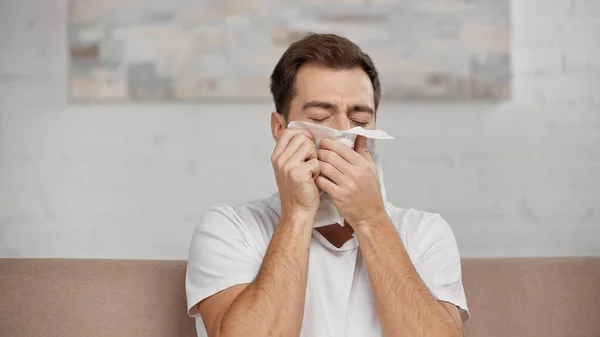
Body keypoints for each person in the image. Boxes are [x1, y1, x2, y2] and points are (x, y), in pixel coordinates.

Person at [186, 33, 469, 337]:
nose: (343, 134)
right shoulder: (230, 229)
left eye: (359, 119)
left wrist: (370, 220)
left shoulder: (425, 233)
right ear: (280, 129)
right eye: (321, 116)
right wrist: (297, 212)